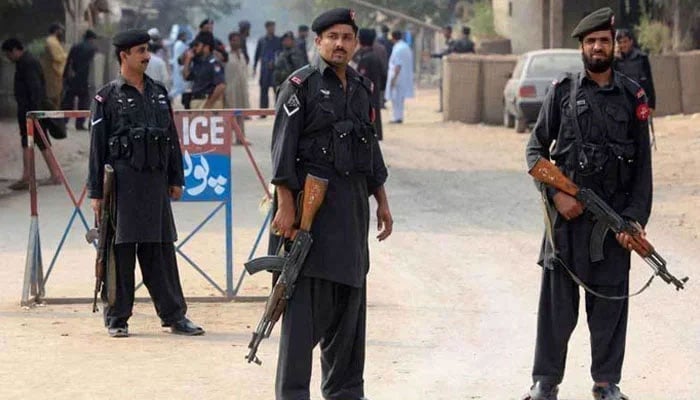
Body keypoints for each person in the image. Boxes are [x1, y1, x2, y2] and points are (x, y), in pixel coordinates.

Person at [522, 8, 652, 400]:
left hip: (611, 224)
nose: (598, 47)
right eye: (591, 41)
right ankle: (545, 382)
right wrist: (558, 195)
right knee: (556, 310)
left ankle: (606, 382)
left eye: (604, 41)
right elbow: (534, 153)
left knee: (609, 310)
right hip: (566, 225)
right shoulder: (562, 92)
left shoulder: (633, 95)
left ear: (615, 46)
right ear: (581, 46)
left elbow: (643, 168)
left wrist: (632, 220)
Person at [270, 8, 393, 400]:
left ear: (356, 43)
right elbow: (282, 152)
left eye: (347, 37)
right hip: (310, 220)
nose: (340, 44)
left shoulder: (360, 88)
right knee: (303, 317)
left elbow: (370, 151)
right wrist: (285, 206)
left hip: (352, 218)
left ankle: (345, 392)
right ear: (318, 41)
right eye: (332, 37)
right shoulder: (299, 86)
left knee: (350, 314)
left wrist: (382, 202)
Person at [87, 29, 205, 338]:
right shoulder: (106, 97)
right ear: (124, 55)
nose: (147, 55)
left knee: (161, 253)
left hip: (154, 185)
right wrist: (96, 192)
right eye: (140, 50)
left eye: (147, 50)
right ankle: (117, 318)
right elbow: (97, 147)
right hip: (122, 188)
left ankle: (174, 316)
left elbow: (171, 141)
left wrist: (176, 178)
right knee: (119, 254)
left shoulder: (159, 92)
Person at [2, 38, 62, 190]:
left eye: (8, 54)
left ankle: (29, 176)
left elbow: (34, 89)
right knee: (39, 142)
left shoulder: (27, 63)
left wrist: (33, 113)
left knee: (31, 141)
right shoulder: (27, 62)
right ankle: (51, 174)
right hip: (31, 110)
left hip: (31, 111)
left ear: (15, 50)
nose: (8, 57)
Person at [61, 29, 98, 130]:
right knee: (84, 102)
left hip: (73, 78)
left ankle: (63, 122)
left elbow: (68, 62)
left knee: (68, 101)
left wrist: (65, 76)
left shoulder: (75, 46)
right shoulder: (93, 49)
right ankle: (79, 124)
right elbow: (92, 66)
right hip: (84, 80)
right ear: (92, 39)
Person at [353, 28, 386, 140]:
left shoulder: (366, 58)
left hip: (367, 93)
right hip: (375, 91)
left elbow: (361, 77)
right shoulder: (374, 56)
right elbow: (383, 74)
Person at [614, 29, 656, 113]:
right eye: (620, 42)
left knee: (642, 125)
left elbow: (649, 81)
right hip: (623, 102)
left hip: (640, 100)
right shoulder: (615, 61)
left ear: (631, 41)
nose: (623, 45)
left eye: (625, 42)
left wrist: (651, 104)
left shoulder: (641, 57)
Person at [182, 32, 226, 109]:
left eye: (197, 45)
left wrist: (208, 105)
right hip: (196, 100)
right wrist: (187, 61)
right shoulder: (198, 62)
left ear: (206, 47)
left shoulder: (214, 63)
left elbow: (221, 86)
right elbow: (186, 76)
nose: (194, 48)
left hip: (208, 101)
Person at [225, 31, 251, 144]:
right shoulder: (226, 55)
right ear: (230, 41)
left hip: (242, 88)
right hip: (230, 88)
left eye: (238, 40)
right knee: (231, 114)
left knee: (241, 112)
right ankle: (228, 138)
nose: (237, 42)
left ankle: (241, 137)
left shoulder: (241, 54)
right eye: (234, 40)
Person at [385, 30, 414, 124]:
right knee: (400, 99)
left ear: (393, 38)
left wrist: (394, 78)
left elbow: (397, 65)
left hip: (397, 75)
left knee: (395, 98)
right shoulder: (406, 46)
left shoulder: (398, 49)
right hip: (404, 76)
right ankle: (399, 116)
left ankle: (396, 117)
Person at [254, 20, 282, 111]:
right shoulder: (262, 40)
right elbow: (257, 54)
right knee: (264, 90)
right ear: (267, 28)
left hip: (275, 68)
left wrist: (276, 63)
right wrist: (254, 67)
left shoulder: (278, 40)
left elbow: (281, 54)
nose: (272, 29)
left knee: (277, 90)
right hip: (264, 69)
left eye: (273, 27)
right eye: (270, 27)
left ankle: (278, 110)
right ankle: (263, 112)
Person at [41, 22, 68, 109]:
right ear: (56, 30)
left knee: (57, 97)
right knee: (53, 97)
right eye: (60, 30)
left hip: (56, 73)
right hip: (53, 73)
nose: (62, 32)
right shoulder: (51, 41)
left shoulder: (54, 41)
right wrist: (66, 55)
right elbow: (57, 57)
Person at [170, 31, 191, 105]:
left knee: (178, 85)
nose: (185, 38)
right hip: (180, 67)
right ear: (181, 36)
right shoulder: (181, 44)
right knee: (180, 86)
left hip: (177, 67)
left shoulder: (177, 44)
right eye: (184, 36)